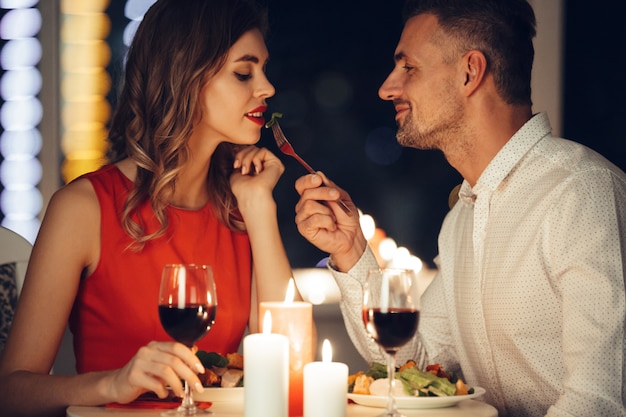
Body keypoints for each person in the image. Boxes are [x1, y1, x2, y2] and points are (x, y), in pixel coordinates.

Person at [294, 1, 626, 416]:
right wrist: (350, 251)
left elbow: (598, 401)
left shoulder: (581, 192)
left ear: (470, 72)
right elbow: (414, 362)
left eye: (408, 67)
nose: (387, 88)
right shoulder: (460, 220)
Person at [0, 0, 295, 415]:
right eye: (244, 72)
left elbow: (289, 365)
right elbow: (10, 393)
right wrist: (113, 384)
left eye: (263, 69)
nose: (266, 88)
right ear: (185, 78)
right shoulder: (83, 208)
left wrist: (259, 206)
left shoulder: (240, 206)